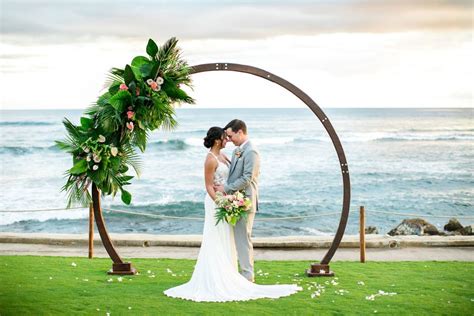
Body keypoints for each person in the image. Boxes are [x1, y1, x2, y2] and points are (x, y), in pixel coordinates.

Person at [163, 125, 301, 302]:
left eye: (229, 136)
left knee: (227, 239)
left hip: (227, 201)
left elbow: (239, 176)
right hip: (216, 203)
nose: (227, 139)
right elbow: (208, 186)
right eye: (224, 137)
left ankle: (231, 275)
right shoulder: (210, 159)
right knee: (216, 238)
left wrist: (228, 199)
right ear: (216, 140)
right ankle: (216, 277)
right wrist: (222, 203)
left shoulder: (226, 155)